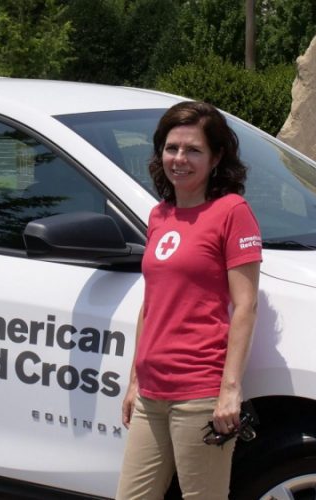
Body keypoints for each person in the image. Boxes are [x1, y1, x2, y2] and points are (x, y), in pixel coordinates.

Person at [116, 101, 262, 500]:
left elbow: (246, 305)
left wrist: (230, 389)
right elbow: (152, 302)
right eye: (172, 148)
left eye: (193, 150)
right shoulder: (159, 216)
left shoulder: (232, 212)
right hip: (150, 393)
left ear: (216, 157)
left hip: (199, 393)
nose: (180, 159)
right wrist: (133, 381)